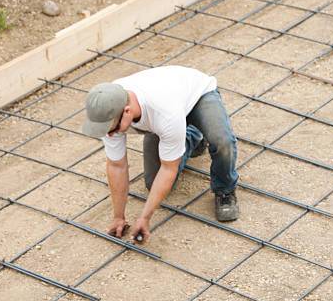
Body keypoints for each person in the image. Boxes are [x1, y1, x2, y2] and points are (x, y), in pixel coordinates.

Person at [81, 65, 239, 242]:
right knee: (153, 182)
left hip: (198, 94)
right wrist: (118, 216)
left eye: (112, 130)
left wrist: (145, 218)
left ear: (127, 112)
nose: (109, 135)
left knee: (222, 141)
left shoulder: (164, 112)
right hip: (170, 115)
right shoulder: (107, 109)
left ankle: (225, 189)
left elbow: (168, 168)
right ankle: (191, 135)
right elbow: (117, 165)